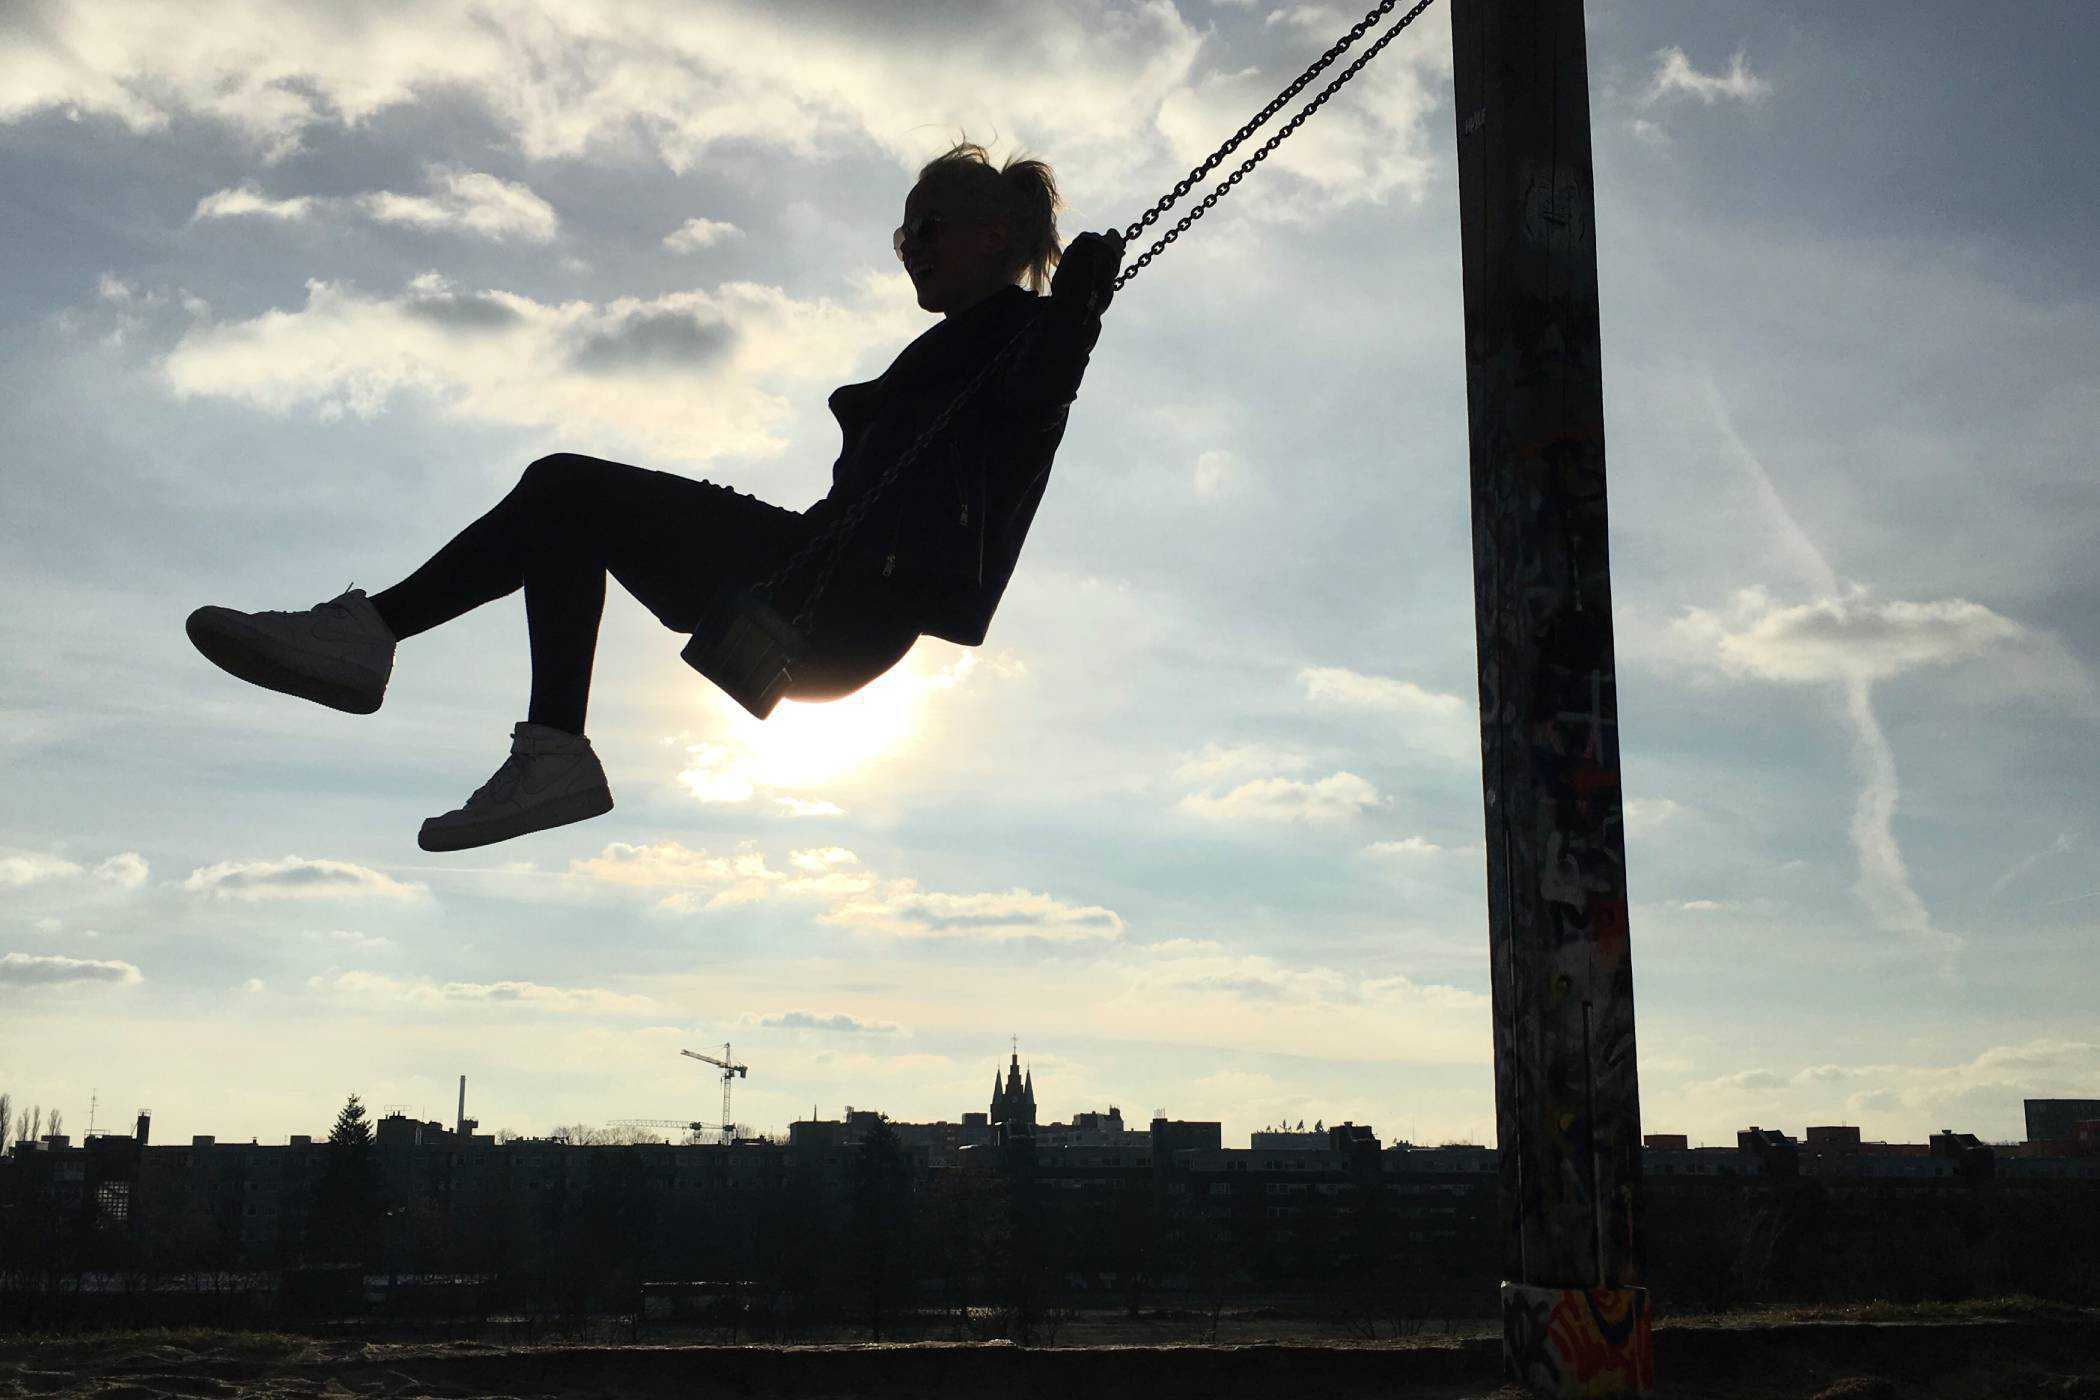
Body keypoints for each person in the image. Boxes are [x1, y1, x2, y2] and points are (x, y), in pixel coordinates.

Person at [186, 142, 1126, 853]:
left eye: (924, 230)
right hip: (820, 588)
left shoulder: (1021, 339)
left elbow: (1039, 397)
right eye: (899, 236)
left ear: (991, 236)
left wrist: (1074, 316)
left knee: (565, 487)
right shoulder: (969, 348)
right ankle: (536, 741)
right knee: (566, 508)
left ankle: (391, 649)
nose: (906, 252)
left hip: (840, 608)